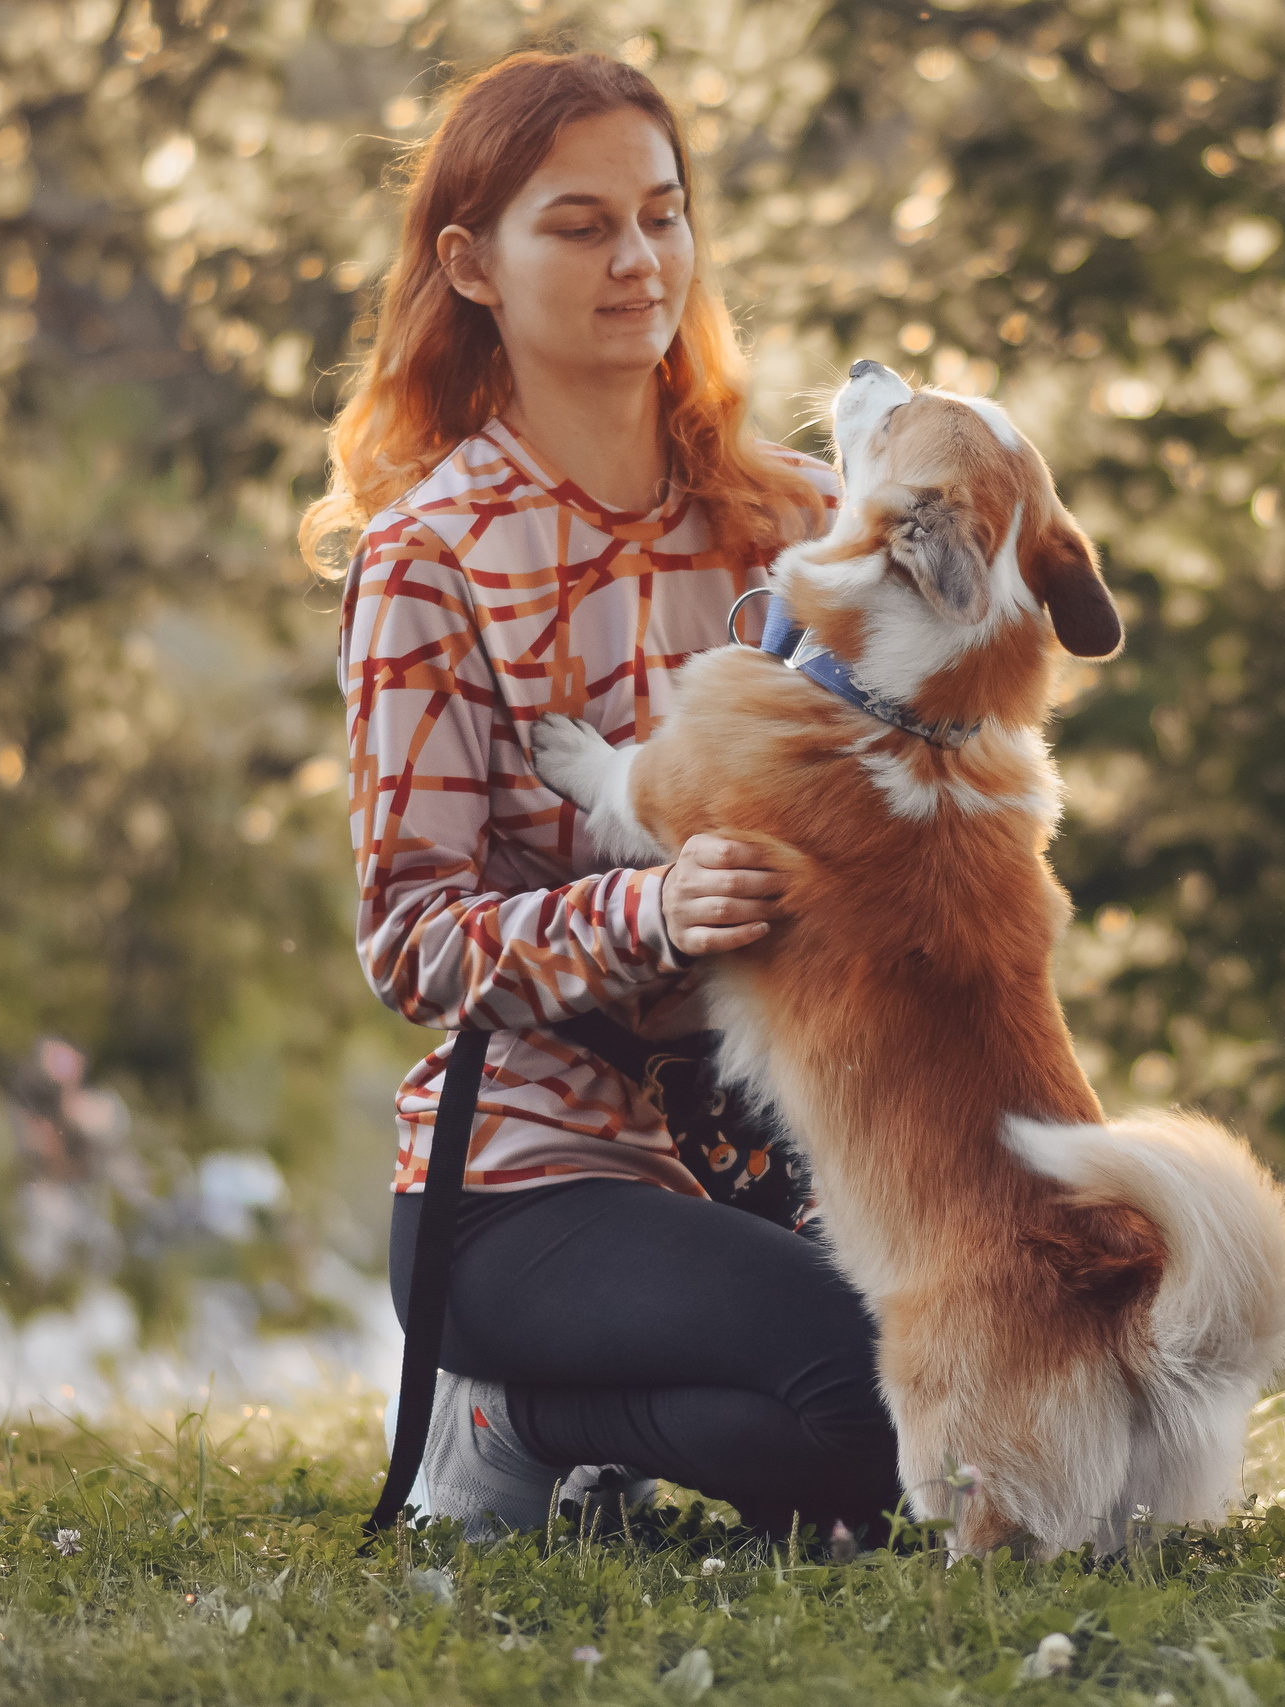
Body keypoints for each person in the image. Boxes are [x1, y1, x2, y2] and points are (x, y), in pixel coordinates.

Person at [301, 49, 901, 1543]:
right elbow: (414, 942)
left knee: (974, 1373)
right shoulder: (429, 560)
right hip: (530, 1177)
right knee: (876, 1391)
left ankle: (616, 1425)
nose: (638, 260)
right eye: (579, 226)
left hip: (792, 1140)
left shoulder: (801, 525)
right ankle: (506, 1420)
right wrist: (656, 912)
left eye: (662, 215)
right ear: (472, 265)